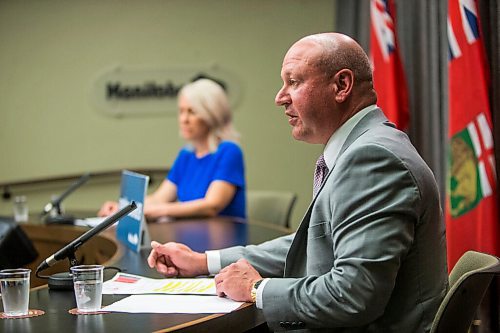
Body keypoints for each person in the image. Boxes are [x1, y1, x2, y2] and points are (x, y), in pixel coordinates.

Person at [147, 33, 448, 332]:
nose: (280, 97)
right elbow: (312, 242)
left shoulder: (371, 159)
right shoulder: (361, 148)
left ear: (341, 85)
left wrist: (256, 289)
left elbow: (353, 296)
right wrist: (202, 261)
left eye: (294, 82)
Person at [98, 78, 246, 219]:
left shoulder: (229, 151)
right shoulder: (186, 155)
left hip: (225, 241)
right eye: (181, 111)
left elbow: (211, 205)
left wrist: (156, 211)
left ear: (212, 115)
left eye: (192, 112)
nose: (184, 119)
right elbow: (159, 198)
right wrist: (122, 208)